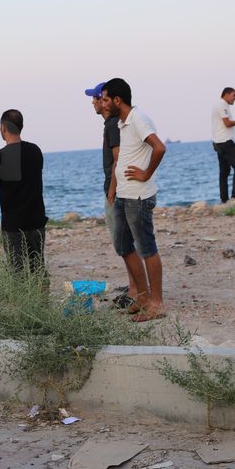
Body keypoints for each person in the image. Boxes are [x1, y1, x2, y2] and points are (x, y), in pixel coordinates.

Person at [101, 78, 167, 322]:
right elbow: (122, 158)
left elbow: (159, 148)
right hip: (123, 194)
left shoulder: (139, 118)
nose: (103, 104)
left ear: (118, 100)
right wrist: (113, 188)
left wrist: (146, 174)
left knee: (147, 248)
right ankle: (142, 296)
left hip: (138, 196)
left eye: (106, 99)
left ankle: (157, 304)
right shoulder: (122, 123)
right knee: (123, 246)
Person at [0, 110, 48, 287]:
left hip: (14, 224)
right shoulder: (35, 150)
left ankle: (23, 303)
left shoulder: (0, 156)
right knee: (38, 267)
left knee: (17, 272)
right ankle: (43, 301)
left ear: (3, 128)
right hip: (36, 220)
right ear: (21, 126)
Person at [86, 81, 130, 305]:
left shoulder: (112, 125)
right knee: (124, 240)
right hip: (117, 188)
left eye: (95, 99)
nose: (93, 103)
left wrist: (111, 190)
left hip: (116, 189)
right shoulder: (112, 124)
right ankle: (135, 284)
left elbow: (117, 160)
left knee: (122, 241)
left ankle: (136, 287)